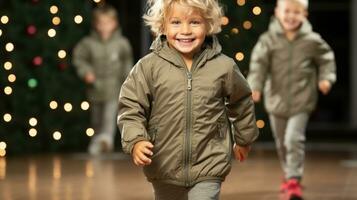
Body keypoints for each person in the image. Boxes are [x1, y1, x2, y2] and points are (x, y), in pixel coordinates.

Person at [117, 0, 259, 199]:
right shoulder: (148, 67)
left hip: (209, 162)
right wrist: (136, 140)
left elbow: (241, 101)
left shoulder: (224, 67)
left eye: (194, 22)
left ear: (208, 24)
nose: (185, 30)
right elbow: (131, 105)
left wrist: (244, 138)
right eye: (176, 22)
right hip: (164, 166)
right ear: (163, 25)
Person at [247, 0, 336, 199]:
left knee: (293, 139)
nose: (291, 16)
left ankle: (293, 178)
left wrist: (326, 78)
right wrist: (255, 86)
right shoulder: (268, 39)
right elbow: (258, 65)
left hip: (301, 100)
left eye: (296, 12)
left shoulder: (312, 40)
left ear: (304, 14)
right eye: (287, 11)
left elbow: (326, 59)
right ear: (277, 12)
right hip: (276, 100)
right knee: (281, 143)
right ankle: (288, 175)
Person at [73, 4, 133, 155]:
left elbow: (127, 62)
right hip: (95, 88)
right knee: (96, 118)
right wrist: (86, 72)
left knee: (109, 115)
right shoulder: (88, 43)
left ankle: (106, 139)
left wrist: (128, 81)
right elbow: (79, 59)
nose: (105, 26)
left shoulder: (122, 43)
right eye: (101, 23)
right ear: (96, 24)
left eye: (108, 22)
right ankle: (97, 142)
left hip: (114, 88)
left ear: (114, 23)